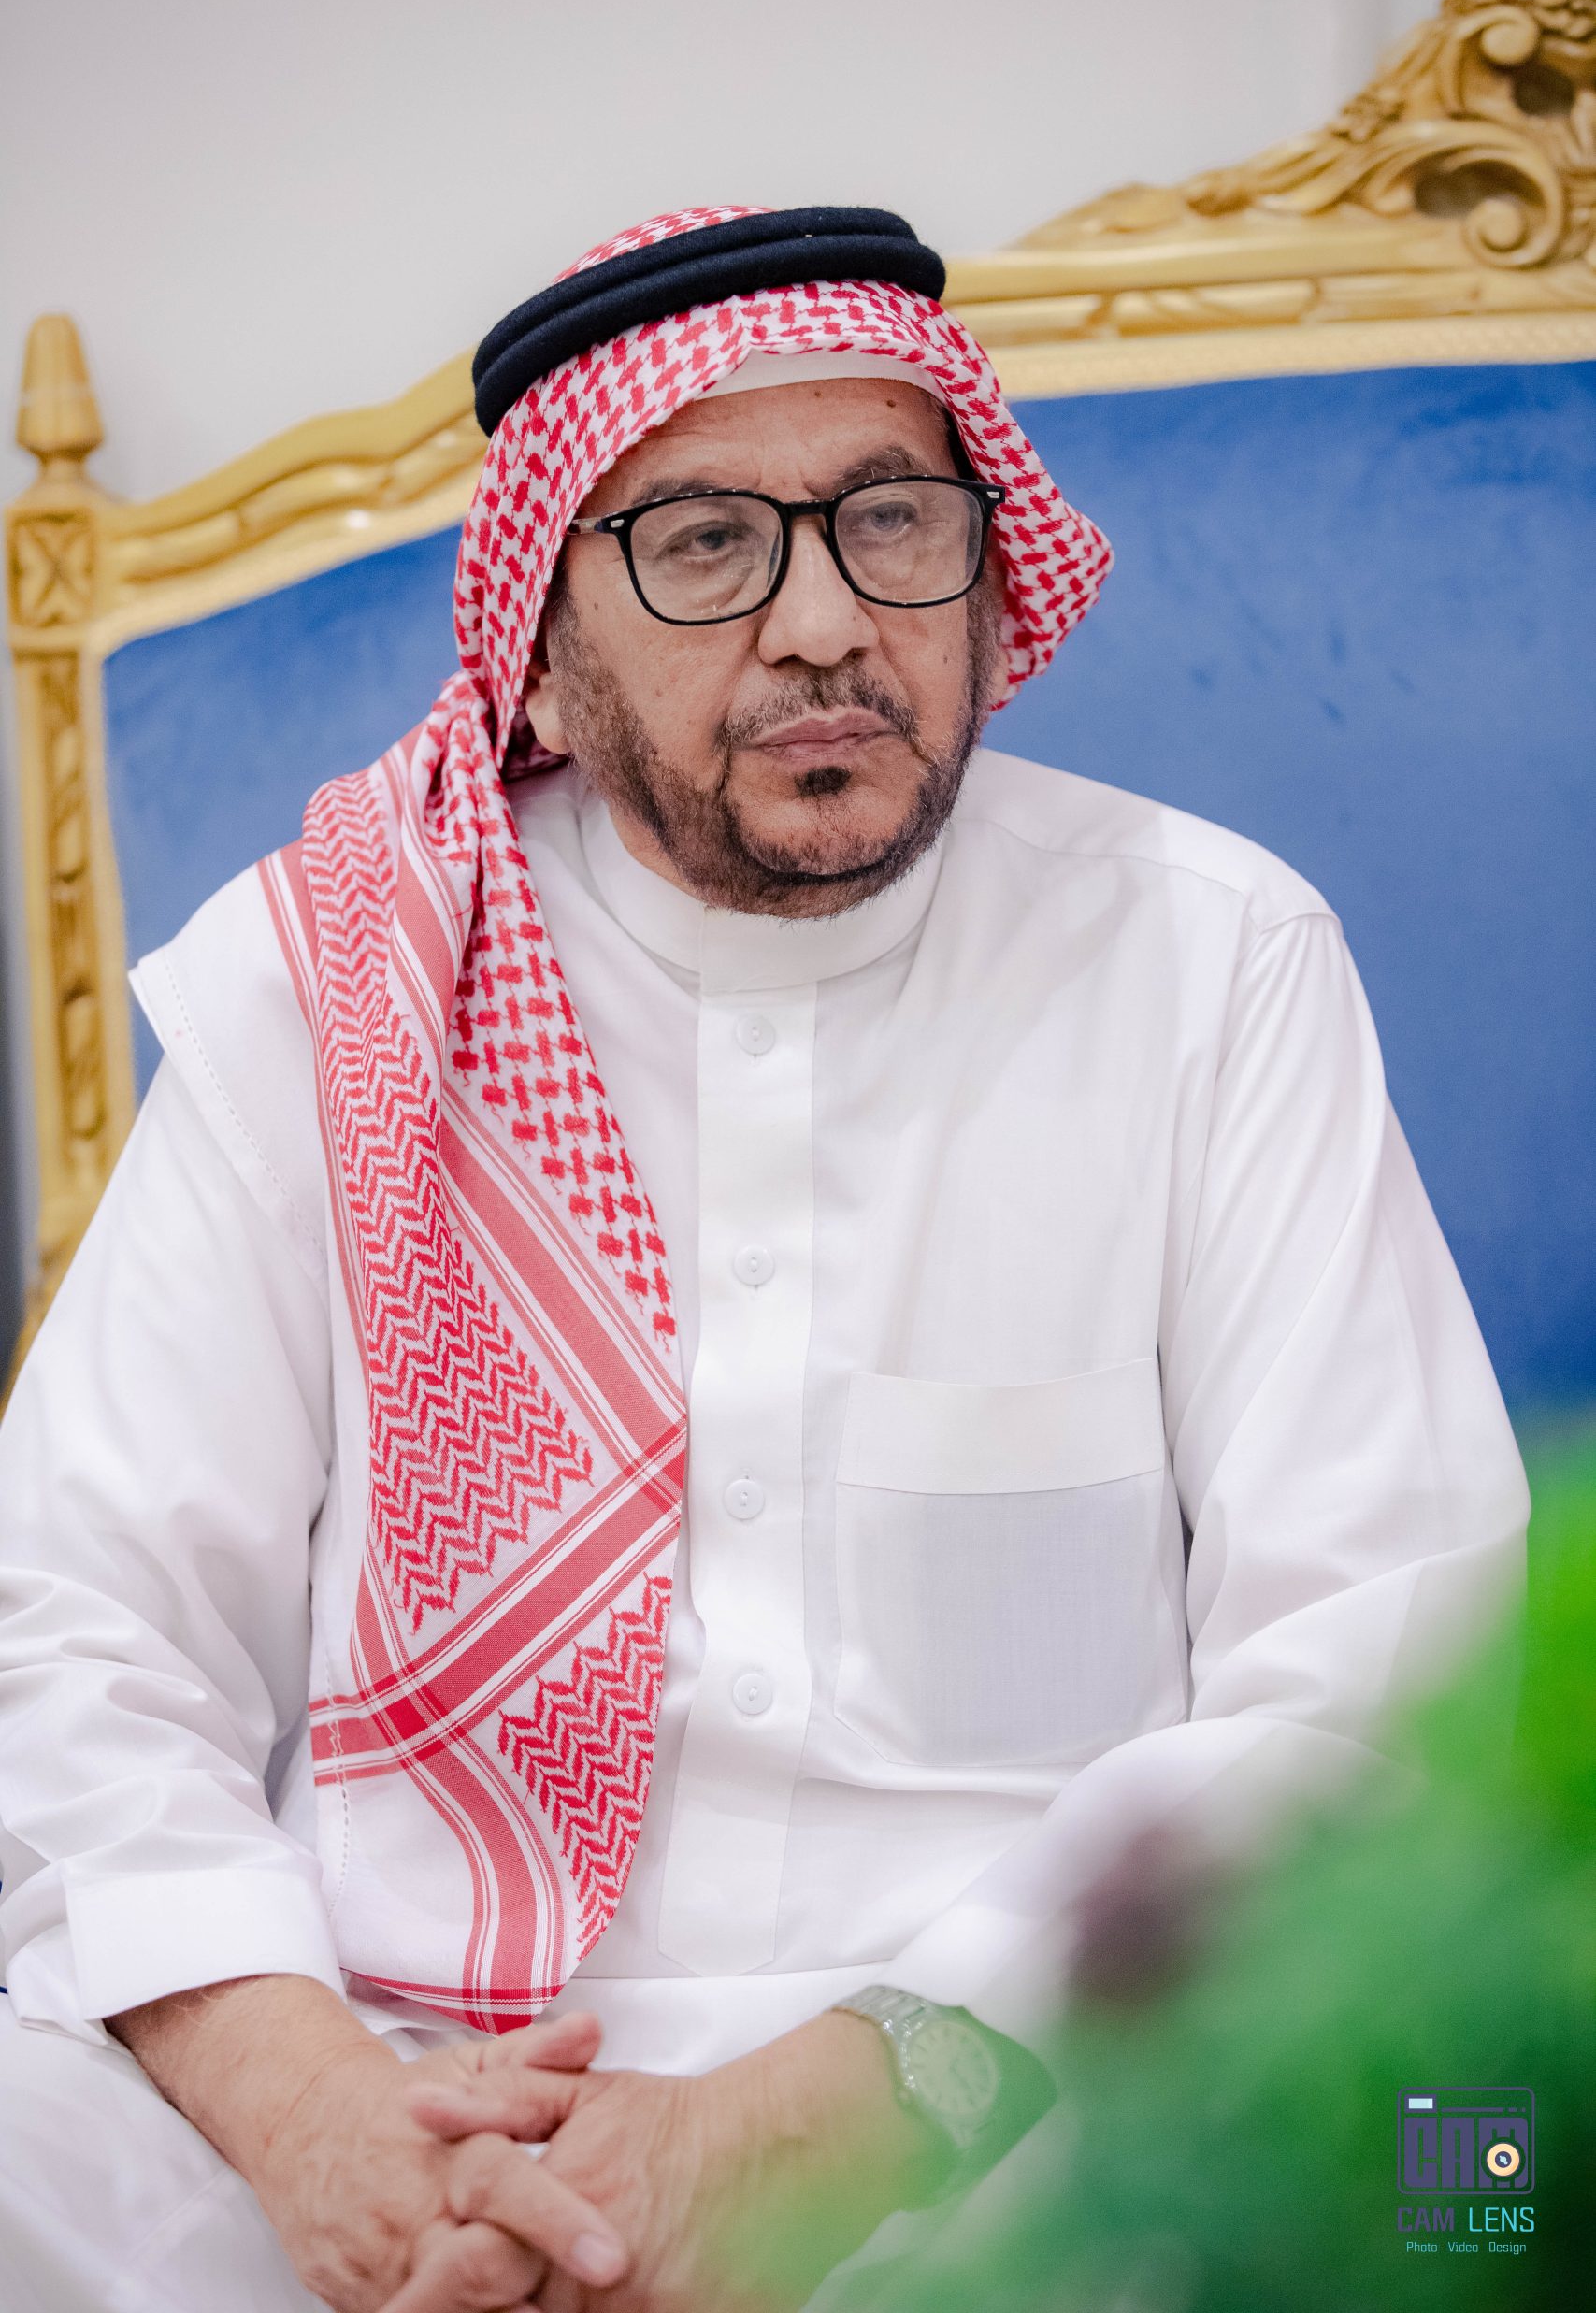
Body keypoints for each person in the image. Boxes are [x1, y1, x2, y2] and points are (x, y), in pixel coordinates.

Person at [0, 205, 1527, 2313]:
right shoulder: (329, 988)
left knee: (1450, 2159)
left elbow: (1383, 1657)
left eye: (889, 522)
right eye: (705, 544)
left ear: (985, 569)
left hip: (998, 2090)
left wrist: (817, 2119)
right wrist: (318, 2120)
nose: (824, 623)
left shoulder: (1211, 965)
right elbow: (78, 1629)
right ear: (541, 647)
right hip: (400, 2071)